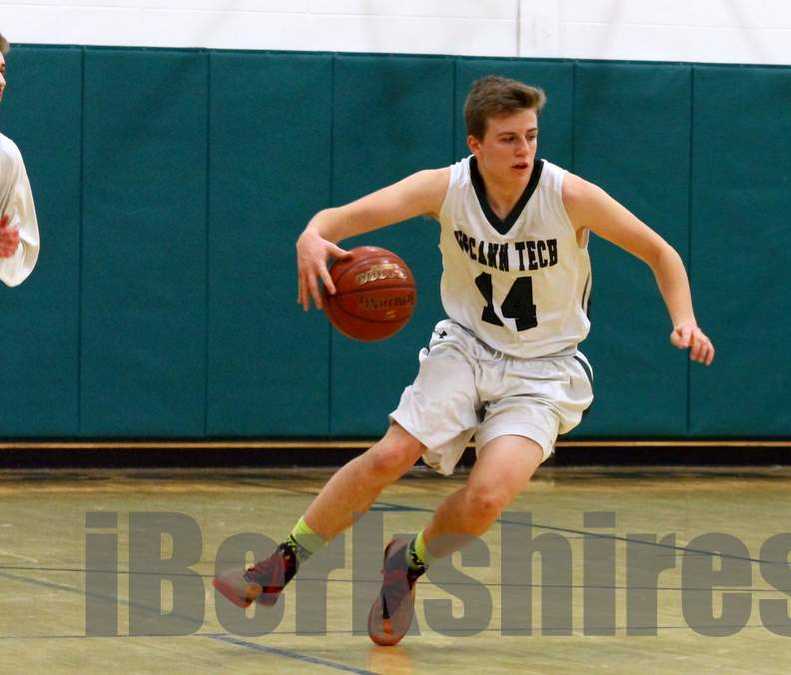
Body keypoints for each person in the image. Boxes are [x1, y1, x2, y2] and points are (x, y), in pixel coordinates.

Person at [213, 75, 715, 646]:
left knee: (488, 497)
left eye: (531, 136)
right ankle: (280, 564)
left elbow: (660, 252)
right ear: (476, 144)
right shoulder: (443, 188)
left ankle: (408, 563)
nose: (524, 150)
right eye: (508, 139)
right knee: (391, 454)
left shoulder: (569, 195)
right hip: (467, 347)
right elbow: (339, 217)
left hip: (545, 368)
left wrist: (685, 319)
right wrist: (311, 234)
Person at [0, 33, 40, 287]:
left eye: (2, 71)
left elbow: (18, 263)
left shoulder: (6, 155)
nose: (2, 81)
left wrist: (6, 251)